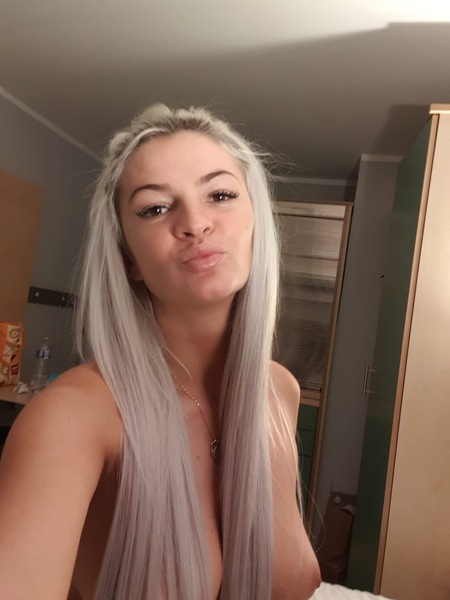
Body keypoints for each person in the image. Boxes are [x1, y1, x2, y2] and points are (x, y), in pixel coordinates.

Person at [0, 104, 320, 599]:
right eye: (155, 208)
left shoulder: (280, 390)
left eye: (220, 195)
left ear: (255, 222)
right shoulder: (72, 417)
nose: (195, 223)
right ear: (128, 257)